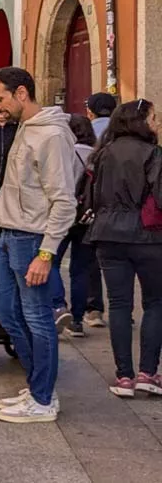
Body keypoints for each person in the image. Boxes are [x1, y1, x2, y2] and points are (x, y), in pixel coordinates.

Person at [0, 68, 75, 424]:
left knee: (38, 321)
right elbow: (15, 187)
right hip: (9, 235)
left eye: (0, 98)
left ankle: (43, 399)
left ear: (21, 93)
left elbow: (64, 201)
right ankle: (38, 385)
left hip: (31, 240)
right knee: (5, 312)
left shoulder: (52, 136)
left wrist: (47, 253)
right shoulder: (25, 129)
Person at [85, 99, 162, 397]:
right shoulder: (153, 154)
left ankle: (124, 377)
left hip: (107, 235)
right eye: (153, 117)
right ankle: (148, 373)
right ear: (140, 121)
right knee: (155, 303)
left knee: (119, 304)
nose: (155, 123)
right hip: (148, 237)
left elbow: (91, 195)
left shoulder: (102, 154)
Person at [49, 114, 99, 337]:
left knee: (50, 262)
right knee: (80, 269)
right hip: (87, 218)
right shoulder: (98, 156)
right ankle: (77, 320)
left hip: (63, 216)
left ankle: (59, 306)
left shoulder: (66, 153)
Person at [83, 91, 118, 326]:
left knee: (90, 258)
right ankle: (121, 308)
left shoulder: (86, 134)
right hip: (123, 208)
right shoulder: (123, 133)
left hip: (94, 206)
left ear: (90, 111)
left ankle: (94, 308)